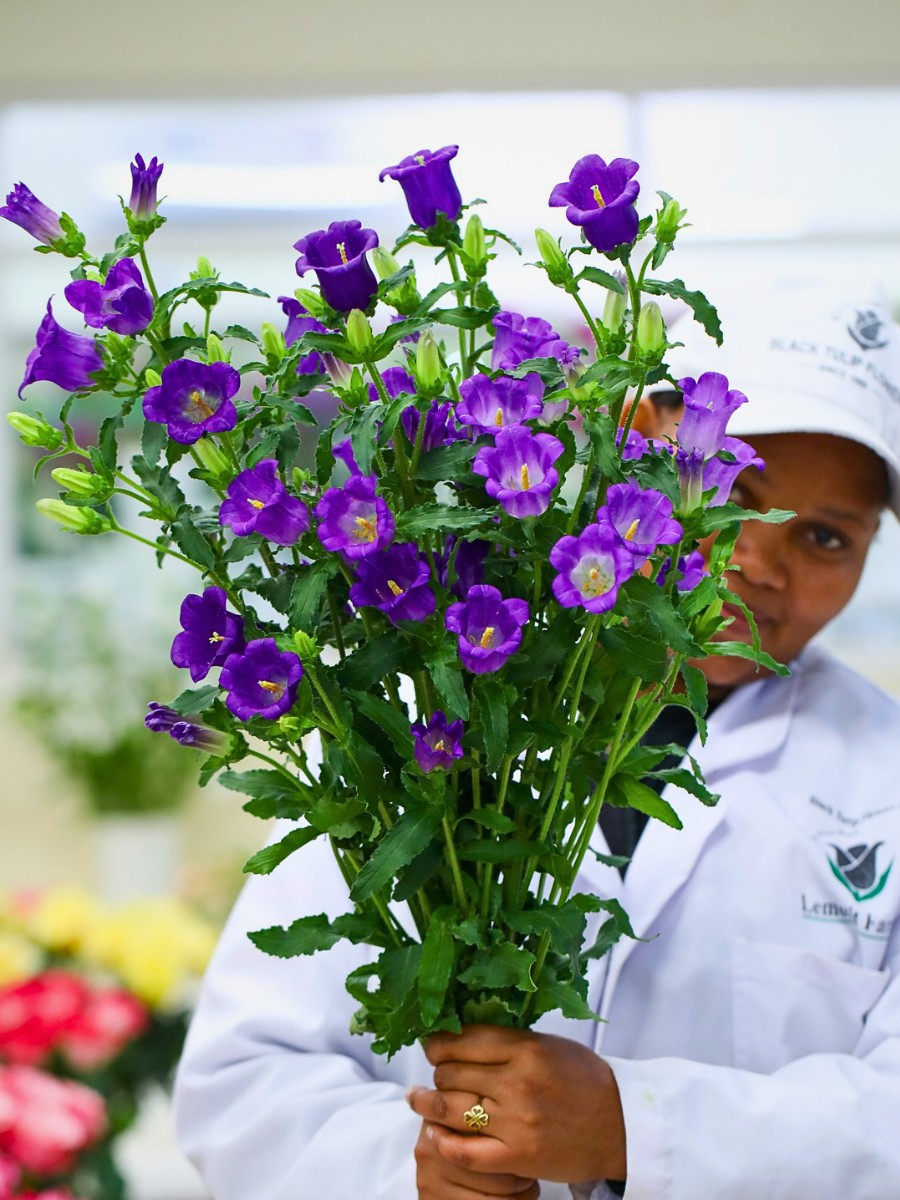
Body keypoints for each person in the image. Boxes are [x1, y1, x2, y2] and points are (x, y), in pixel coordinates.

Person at [174, 286, 900, 1199]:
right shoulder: (422, 719)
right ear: (638, 437)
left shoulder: (884, 780)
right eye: (726, 491)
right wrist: (440, 1163)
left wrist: (634, 1132)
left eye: (828, 536)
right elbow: (243, 1080)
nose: (757, 557)